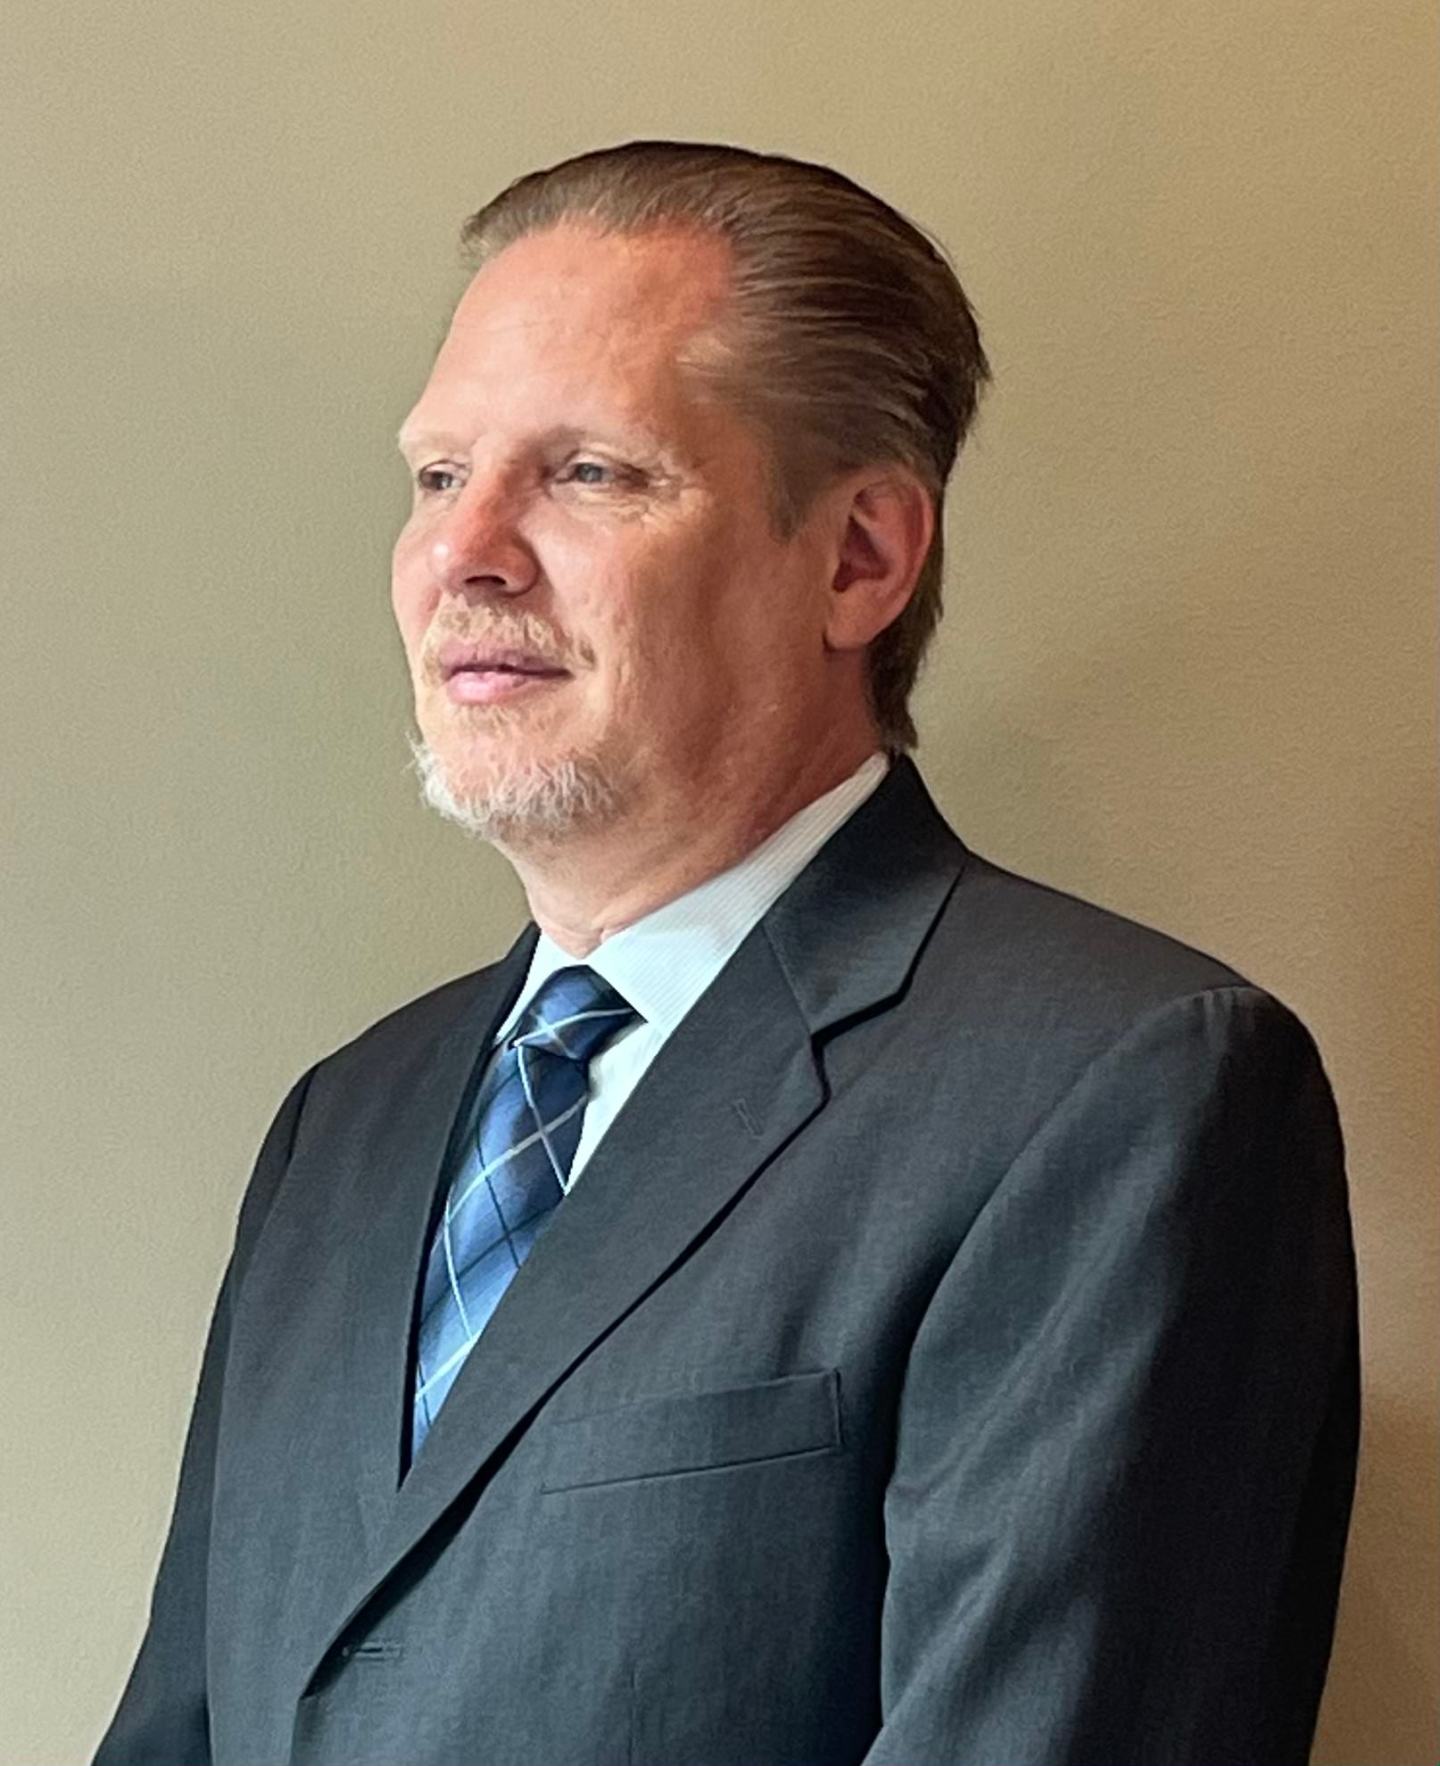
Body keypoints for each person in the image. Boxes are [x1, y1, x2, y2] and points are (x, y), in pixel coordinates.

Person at [94, 141, 1358, 1766]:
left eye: (588, 473)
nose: (466, 552)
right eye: (438, 474)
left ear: (859, 558)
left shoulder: (1122, 1091)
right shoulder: (341, 1124)